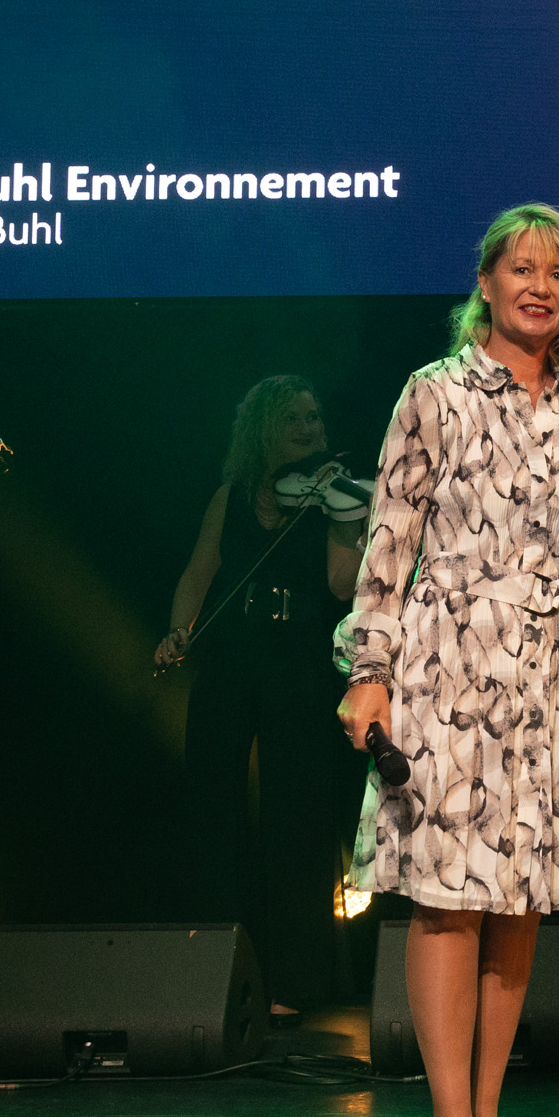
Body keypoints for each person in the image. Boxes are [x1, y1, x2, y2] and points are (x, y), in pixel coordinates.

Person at [336, 205, 559, 1117]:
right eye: (521, 269)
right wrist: (369, 669)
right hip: (449, 664)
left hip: (552, 672)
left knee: (520, 900)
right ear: (486, 283)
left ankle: (488, 1116)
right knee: (450, 898)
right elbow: (389, 540)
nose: (540, 287)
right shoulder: (435, 392)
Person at [156, 375, 365, 1021]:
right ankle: (211, 972)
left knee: (296, 815)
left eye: (314, 417)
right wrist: (178, 631)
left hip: (298, 658)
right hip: (232, 653)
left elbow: (340, 587)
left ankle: (293, 982)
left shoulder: (332, 497)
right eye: (294, 418)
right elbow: (199, 572)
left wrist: (353, 523)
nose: (309, 428)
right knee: (212, 808)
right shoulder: (232, 496)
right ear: (263, 428)